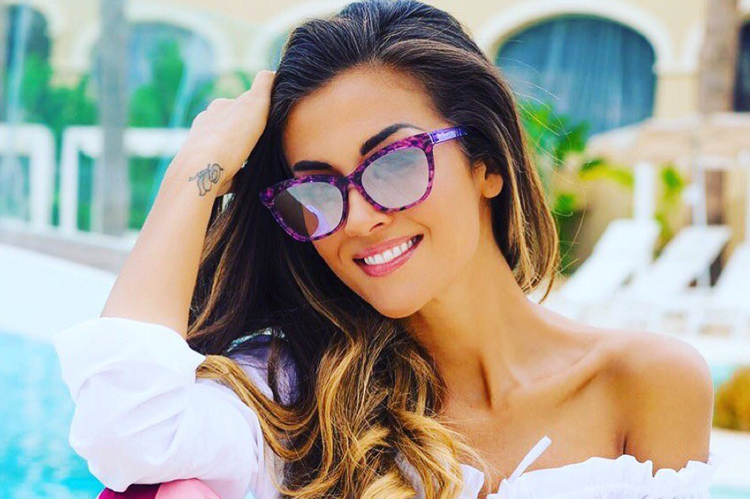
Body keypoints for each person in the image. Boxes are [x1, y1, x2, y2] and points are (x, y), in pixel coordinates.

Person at [52, 1, 721, 498]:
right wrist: (195, 169)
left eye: (395, 163)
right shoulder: (299, 398)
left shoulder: (647, 382)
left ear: (487, 163)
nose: (361, 218)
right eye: (317, 189)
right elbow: (125, 430)